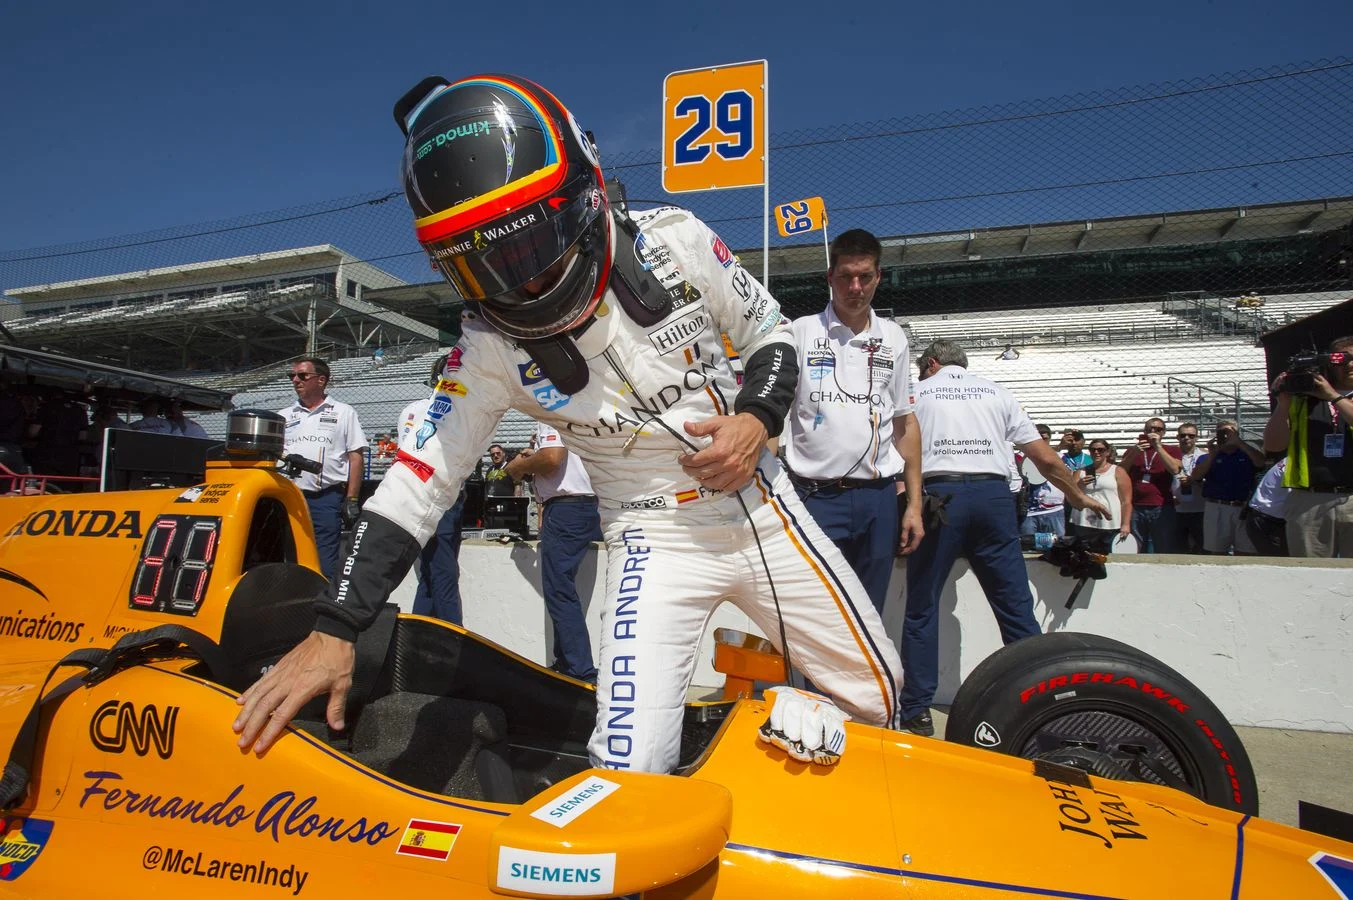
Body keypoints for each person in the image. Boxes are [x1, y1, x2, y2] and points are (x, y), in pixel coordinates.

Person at [235, 73, 904, 775]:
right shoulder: (486, 348)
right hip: (650, 540)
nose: (514, 281)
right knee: (626, 768)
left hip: (761, 512)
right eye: (477, 262)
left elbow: (771, 331)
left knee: (875, 702)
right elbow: (417, 484)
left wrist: (754, 419)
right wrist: (336, 627)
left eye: (523, 247)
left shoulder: (675, 240)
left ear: (583, 194)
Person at [899, 340, 1108, 736]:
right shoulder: (997, 391)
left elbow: (897, 449)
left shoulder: (917, 392)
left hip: (940, 497)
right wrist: (1078, 495)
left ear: (931, 363)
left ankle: (916, 708)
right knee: (1015, 607)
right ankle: (1038, 701)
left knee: (922, 607)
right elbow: (1043, 457)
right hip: (995, 498)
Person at [782, 228, 923, 613]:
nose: (855, 286)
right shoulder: (800, 332)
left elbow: (905, 425)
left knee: (869, 616)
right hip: (814, 497)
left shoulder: (894, 338)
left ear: (879, 276)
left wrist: (913, 505)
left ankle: (867, 677)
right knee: (819, 618)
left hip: (877, 501)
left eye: (864, 276)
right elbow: (773, 417)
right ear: (830, 277)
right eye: (845, 276)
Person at [506, 421, 603, 682]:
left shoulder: (549, 409)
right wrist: (533, 456)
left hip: (565, 509)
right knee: (561, 589)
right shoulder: (577, 409)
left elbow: (551, 459)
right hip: (586, 505)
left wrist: (518, 466)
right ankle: (566, 663)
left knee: (559, 590)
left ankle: (580, 670)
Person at [277, 357, 368, 582]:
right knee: (289, 557)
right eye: (292, 376)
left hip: (326, 497)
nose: (295, 380)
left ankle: (320, 608)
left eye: (302, 375)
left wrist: (352, 499)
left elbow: (355, 456)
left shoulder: (344, 412)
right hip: (289, 497)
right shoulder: (284, 415)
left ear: (321, 380)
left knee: (325, 561)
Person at [1262, 336, 1353, 558]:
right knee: (1311, 577)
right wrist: (1282, 404)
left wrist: (1331, 396)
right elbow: (1273, 445)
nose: (1349, 365)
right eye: (1343, 359)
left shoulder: (1327, 395)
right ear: (1329, 364)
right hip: (1309, 499)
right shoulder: (1303, 399)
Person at [397, 353, 466, 625]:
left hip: (415, 496)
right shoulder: (457, 411)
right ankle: (454, 636)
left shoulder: (410, 409)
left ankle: (417, 632)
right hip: (440, 496)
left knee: (428, 571)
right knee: (443, 572)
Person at [1191, 420, 1264, 555]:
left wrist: (1239, 443)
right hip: (1217, 506)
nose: (1225, 436)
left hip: (1243, 507)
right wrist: (1212, 454)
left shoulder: (1246, 454)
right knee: (1217, 551)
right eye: (1222, 432)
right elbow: (1195, 476)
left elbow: (1260, 462)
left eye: (1229, 432)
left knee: (1246, 552)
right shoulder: (1208, 457)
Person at [1120, 417, 1181, 553]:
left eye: (1158, 429)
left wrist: (1157, 446)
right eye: (1149, 429)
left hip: (1161, 506)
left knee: (1163, 545)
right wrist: (1135, 452)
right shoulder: (1132, 450)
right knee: (1137, 546)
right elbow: (1120, 471)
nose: (1153, 432)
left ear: (1163, 432)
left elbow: (1175, 469)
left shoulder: (1171, 450)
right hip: (1136, 506)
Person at [1069, 439, 1133, 552]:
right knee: (1084, 556)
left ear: (1107, 452)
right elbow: (1070, 496)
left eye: (1100, 450)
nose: (1096, 452)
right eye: (1093, 450)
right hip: (1084, 521)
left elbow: (1126, 501)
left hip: (1109, 522)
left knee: (1108, 556)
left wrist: (1125, 524)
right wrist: (1080, 485)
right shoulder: (1080, 471)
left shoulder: (1117, 471)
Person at [1234, 459, 1290, 557]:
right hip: (1265, 520)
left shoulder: (1289, 460)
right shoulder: (1294, 464)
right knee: (1277, 561)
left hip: (1266, 516)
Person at [1019, 424, 1066, 540]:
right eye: (1038, 439)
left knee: (1057, 548)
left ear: (1050, 438)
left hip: (1054, 510)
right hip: (1029, 512)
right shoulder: (1019, 457)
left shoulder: (1061, 457)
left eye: (1045, 439)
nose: (1042, 442)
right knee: (1029, 550)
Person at [1172, 423, 1205, 553]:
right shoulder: (1171, 456)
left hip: (1200, 508)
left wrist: (1194, 481)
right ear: (1177, 437)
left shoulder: (1204, 456)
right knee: (1179, 548)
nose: (1187, 438)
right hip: (1177, 509)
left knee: (1201, 547)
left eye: (1191, 435)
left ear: (1197, 437)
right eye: (1183, 435)